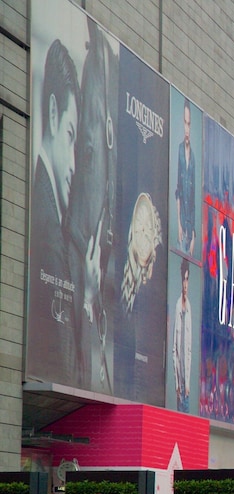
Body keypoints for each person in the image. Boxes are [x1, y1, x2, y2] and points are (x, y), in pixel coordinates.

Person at [28, 38, 80, 387]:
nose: (74, 164)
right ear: (51, 113)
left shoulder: (43, 200)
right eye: (70, 135)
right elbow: (65, 369)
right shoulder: (48, 227)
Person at [175, 101, 197, 255]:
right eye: (185, 123)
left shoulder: (193, 158)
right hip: (182, 227)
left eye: (189, 124)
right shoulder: (179, 150)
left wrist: (194, 233)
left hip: (190, 229)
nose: (187, 129)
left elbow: (194, 199)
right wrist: (178, 223)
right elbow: (178, 191)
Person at [172, 258, 193, 413]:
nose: (185, 284)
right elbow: (175, 349)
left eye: (187, 279)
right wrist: (177, 384)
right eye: (183, 280)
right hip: (180, 384)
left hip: (187, 386)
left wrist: (188, 384)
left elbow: (189, 350)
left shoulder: (189, 308)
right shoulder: (178, 306)